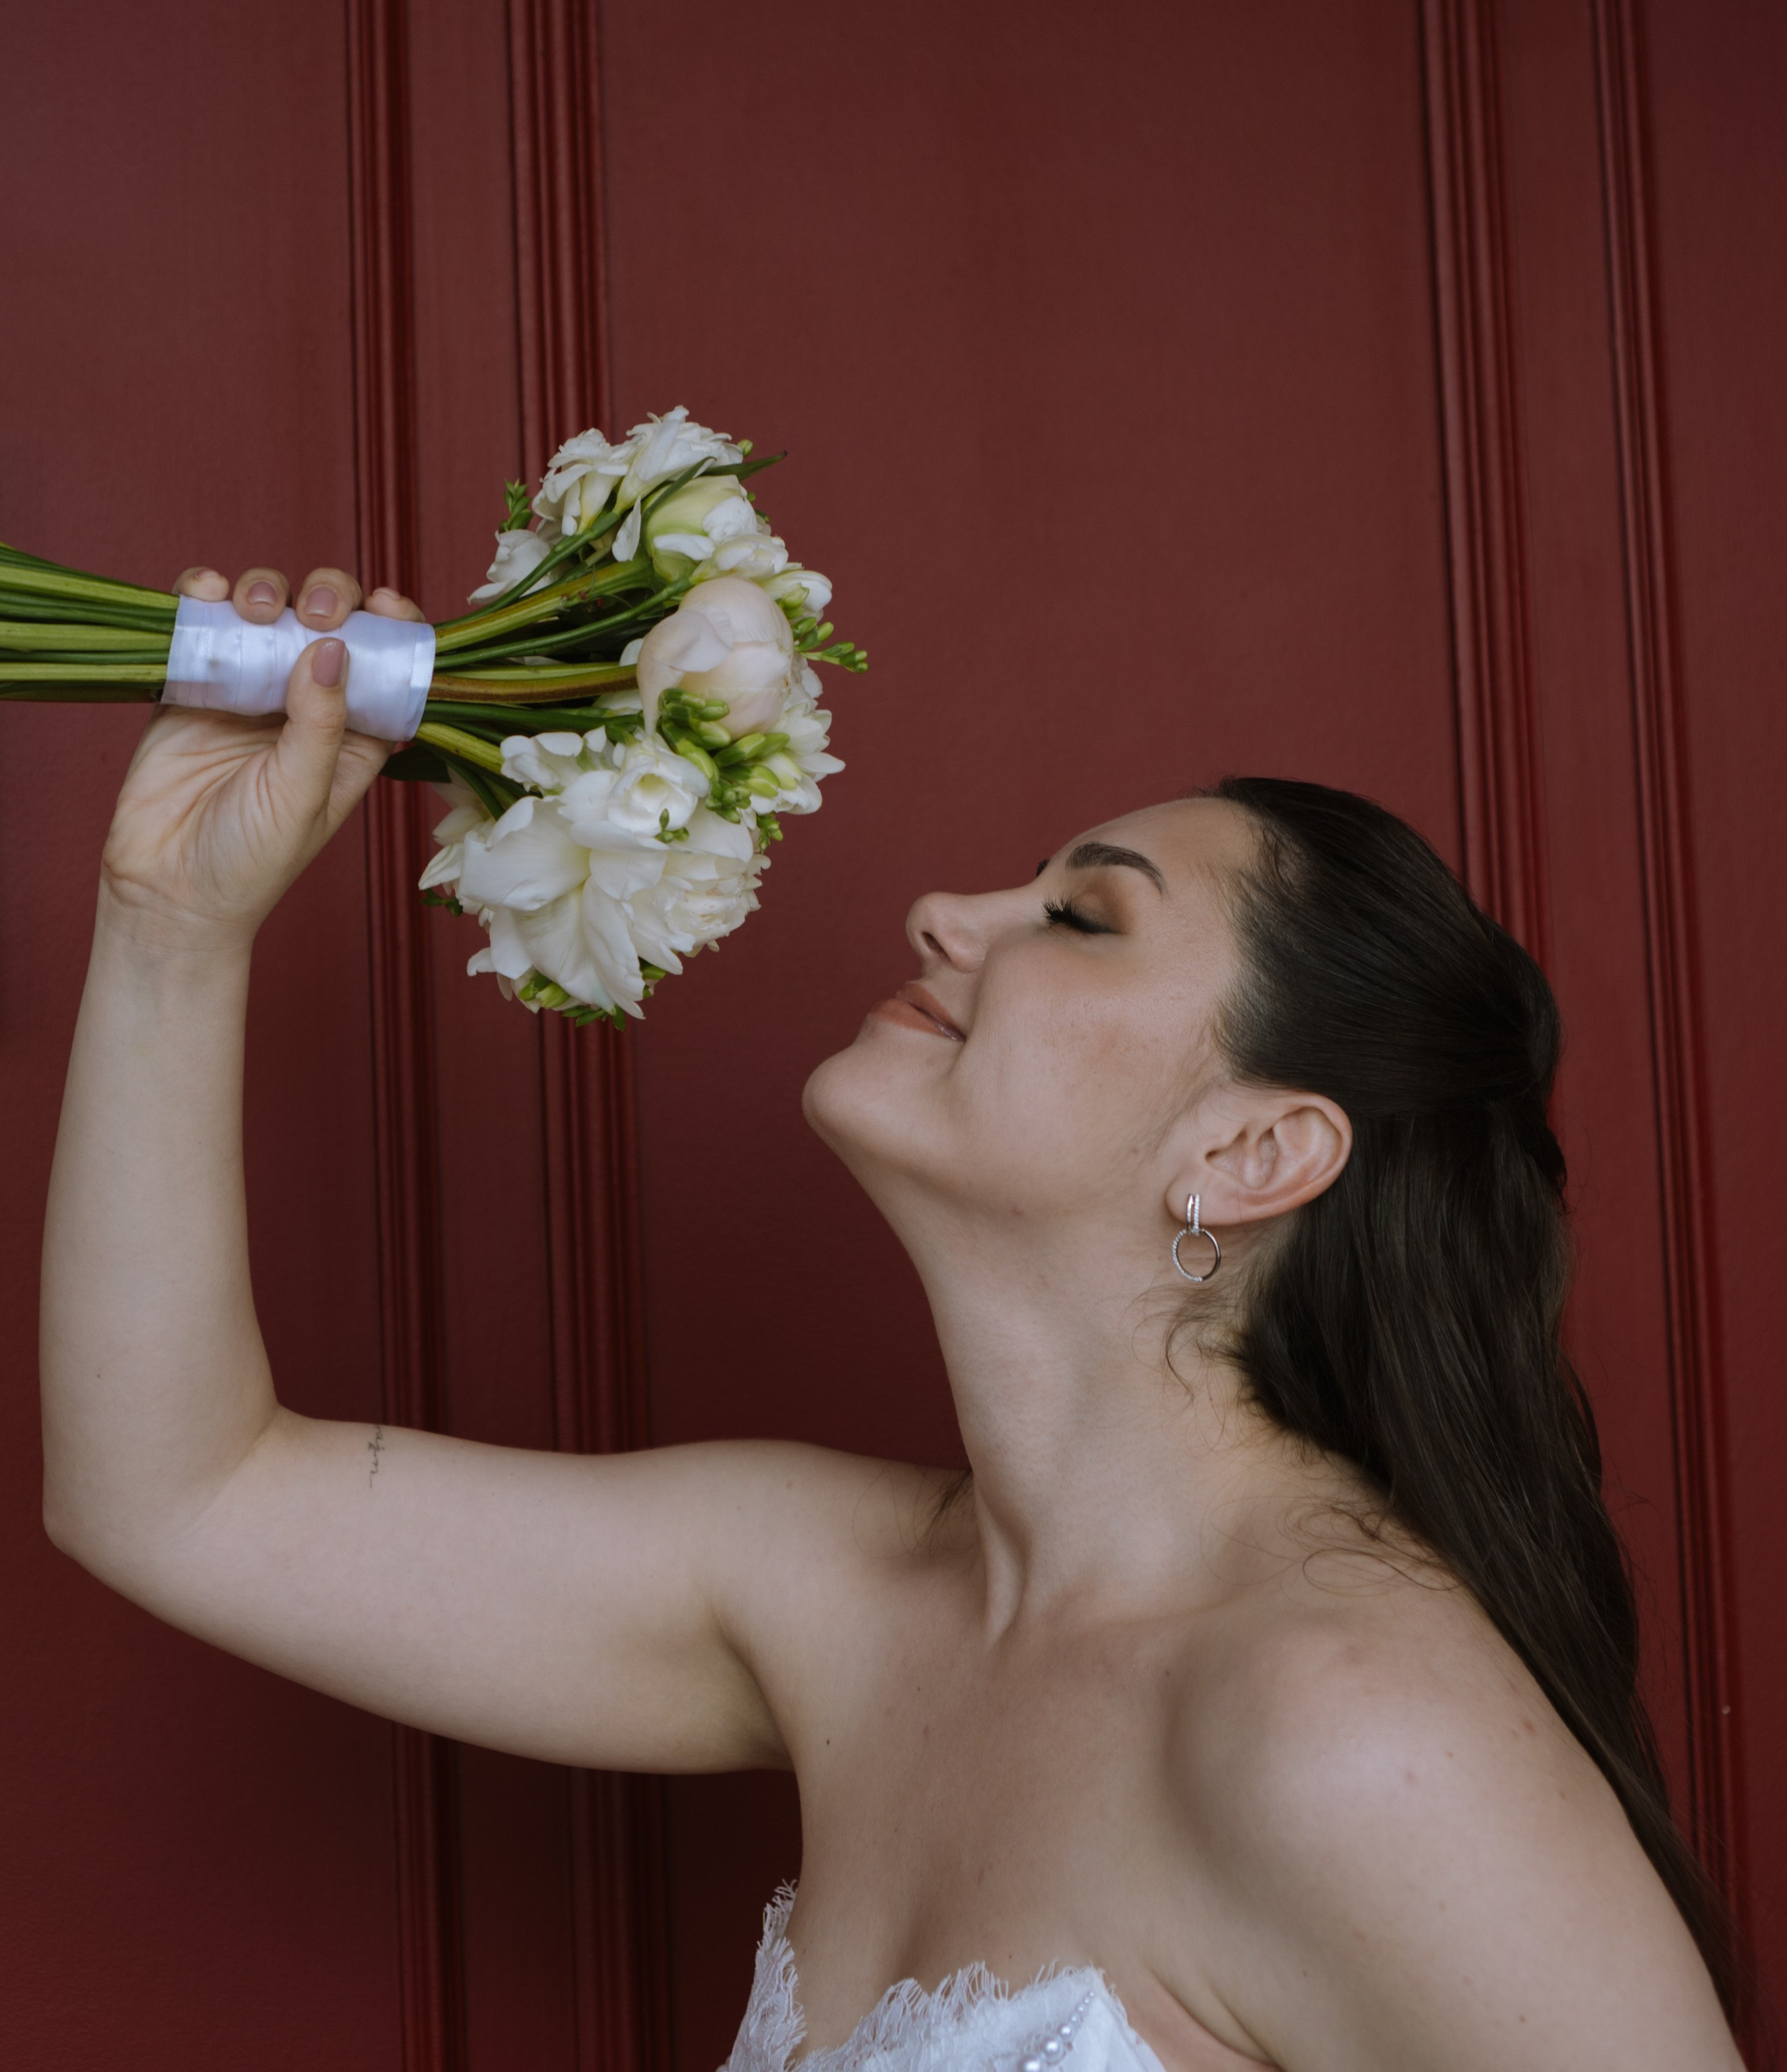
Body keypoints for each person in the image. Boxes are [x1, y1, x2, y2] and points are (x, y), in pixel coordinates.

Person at [41, 558, 1743, 2072]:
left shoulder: (1347, 1730)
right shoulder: (838, 1598)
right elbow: (176, 1493)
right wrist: (173, 922)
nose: (944, 916)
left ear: (1251, 1152)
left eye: (1077, 918)